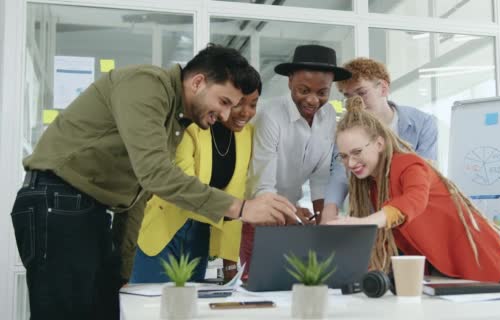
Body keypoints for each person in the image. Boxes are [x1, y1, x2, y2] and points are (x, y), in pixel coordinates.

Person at [10, 44, 296, 320]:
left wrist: (122, 274)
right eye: (223, 102)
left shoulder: (175, 120)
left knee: (106, 310)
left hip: (90, 210)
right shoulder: (146, 84)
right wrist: (242, 208)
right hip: (57, 200)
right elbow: (156, 174)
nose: (224, 115)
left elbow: (137, 196)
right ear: (198, 82)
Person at [327, 96, 500, 283]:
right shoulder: (373, 186)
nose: (350, 163)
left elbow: (414, 200)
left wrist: (365, 223)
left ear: (379, 143)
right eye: (343, 156)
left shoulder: (410, 165)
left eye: (357, 152)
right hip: (441, 271)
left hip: (482, 263)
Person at [132, 80, 262, 283]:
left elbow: (237, 194)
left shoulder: (247, 135)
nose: (246, 112)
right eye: (238, 104)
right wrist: (239, 209)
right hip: (166, 228)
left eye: (253, 104)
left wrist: (229, 260)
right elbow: (184, 187)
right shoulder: (192, 127)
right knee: (151, 307)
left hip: (201, 234)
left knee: (190, 308)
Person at [241, 44, 352, 273]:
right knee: (256, 282)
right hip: (258, 214)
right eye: (304, 90)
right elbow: (264, 185)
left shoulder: (328, 115)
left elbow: (321, 177)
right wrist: (292, 213)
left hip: (291, 214)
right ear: (290, 80)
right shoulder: (270, 115)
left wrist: (324, 224)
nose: (313, 100)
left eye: (322, 93)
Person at [322, 57, 438, 223]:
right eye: (349, 96)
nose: (357, 102)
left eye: (362, 93)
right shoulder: (347, 131)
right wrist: (329, 209)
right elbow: (340, 173)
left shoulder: (422, 123)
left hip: (413, 216)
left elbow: (426, 174)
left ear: (383, 88)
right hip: (371, 216)